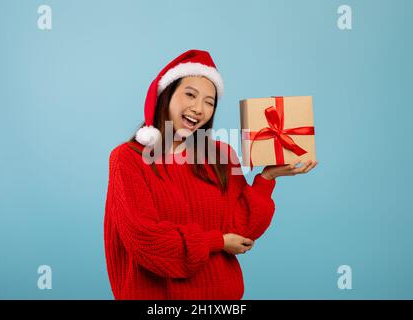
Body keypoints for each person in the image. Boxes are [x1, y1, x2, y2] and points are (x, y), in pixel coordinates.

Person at [103, 49, 318, 300]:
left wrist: (267, 179)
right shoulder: (127, 158)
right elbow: (147, 241)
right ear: (166, 96)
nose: (199, 108)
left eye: (209, 101)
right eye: (190, 95)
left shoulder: (221, 156)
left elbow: (240, 231)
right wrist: (216, 242)